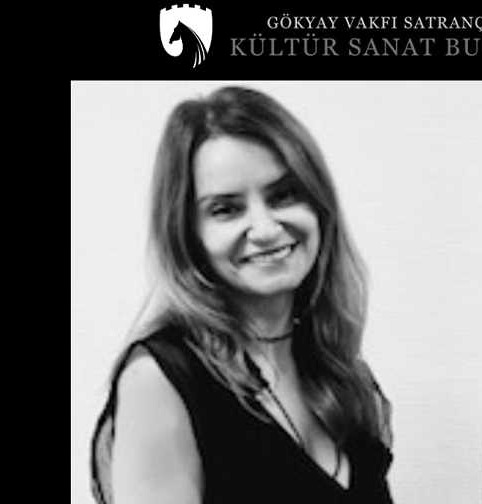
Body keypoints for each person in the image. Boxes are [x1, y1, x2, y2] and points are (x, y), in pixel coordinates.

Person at [90, 86, 394, 504]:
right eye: (226, 209)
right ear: (187, 235)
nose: (266, 229)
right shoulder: (160, 380)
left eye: (283, 195)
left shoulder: (340, 373)